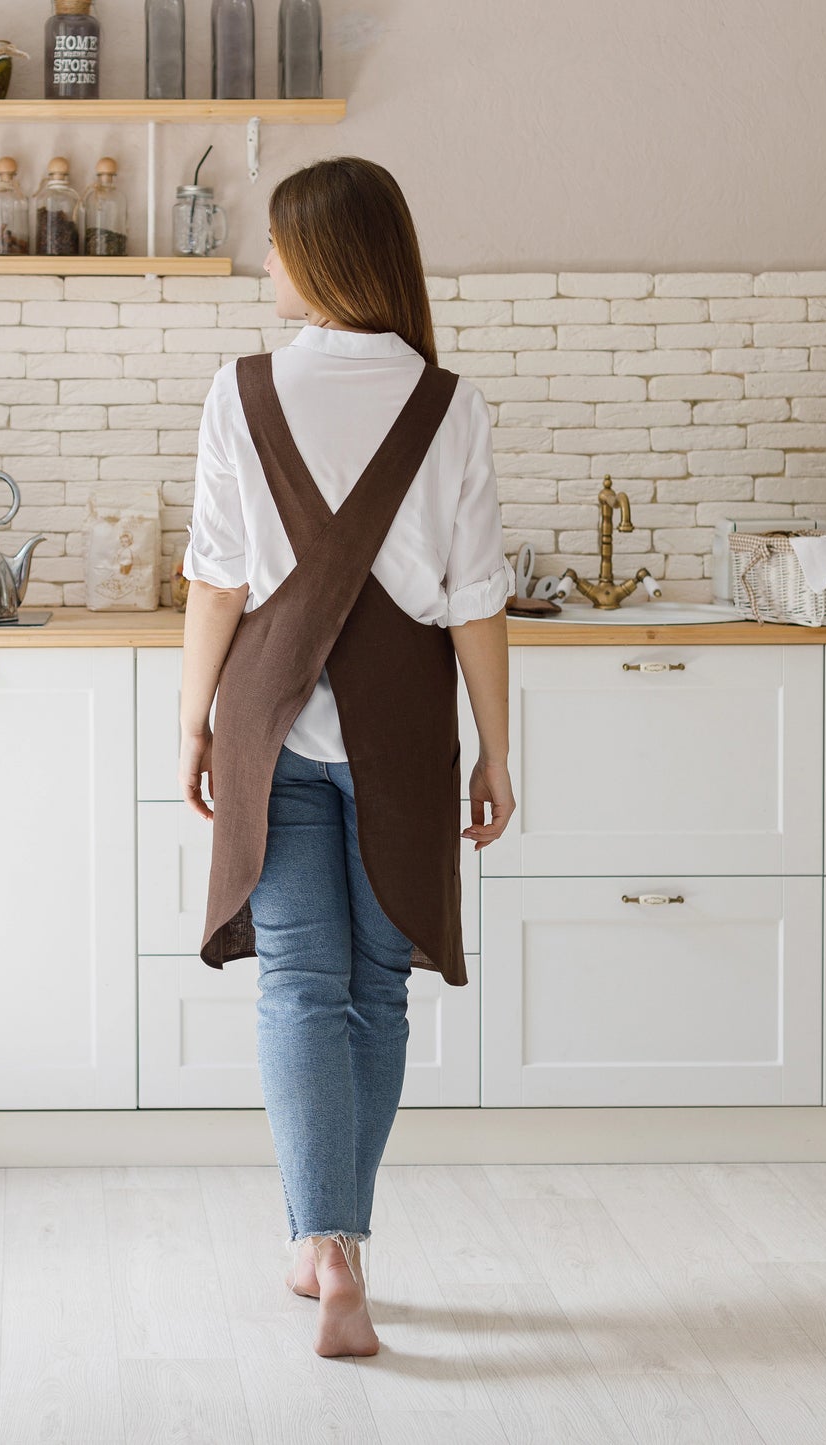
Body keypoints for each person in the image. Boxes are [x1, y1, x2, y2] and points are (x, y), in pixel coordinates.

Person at [177, 155, 516, 1359]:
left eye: (273, 245)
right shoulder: (447, 401)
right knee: (373, 993)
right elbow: (475, 595)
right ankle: (342, 1251)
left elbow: (217, 577)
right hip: (405, 737)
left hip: (270, 726)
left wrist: (192, 718)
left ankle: (323, 1244)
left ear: (318, 256)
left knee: (298, 989)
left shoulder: (242, 390)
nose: (263, 265)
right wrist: (493, 748)